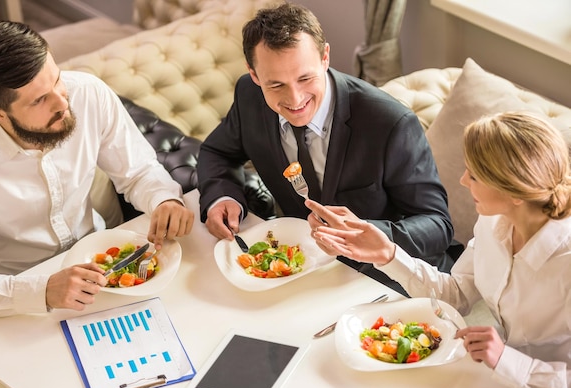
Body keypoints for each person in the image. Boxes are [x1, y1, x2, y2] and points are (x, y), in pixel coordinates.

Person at [308, 111, 571, 388]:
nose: (462, 180)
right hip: (495, 380)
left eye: (473, 175)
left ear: (515, 191)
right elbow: (456, 296)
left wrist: (506, 360)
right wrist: (389, 255)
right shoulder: (493, 222)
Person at [196, 2, 457, 295]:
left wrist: (367, 234)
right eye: (276, 84)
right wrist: (221, 197)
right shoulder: (249, 95)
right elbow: (218, 152)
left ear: (325, 58)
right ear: (254, 75)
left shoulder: (390, 123)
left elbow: (438, 225)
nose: (294, 100)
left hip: (388, 282)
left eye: (305, 78)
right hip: (303, 274)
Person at [0, 21, 194, 317]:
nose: (63, 101)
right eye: (40, 99)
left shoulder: (88, 93)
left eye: (57, 80)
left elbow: (138, 171)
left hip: (103, 261)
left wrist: (163, 199)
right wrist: (40, 291)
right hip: (11, 294)